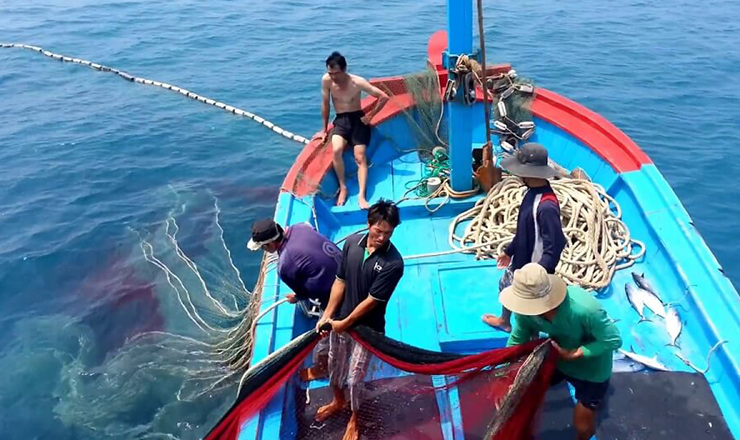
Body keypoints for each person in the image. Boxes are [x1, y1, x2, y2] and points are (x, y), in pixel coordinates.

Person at [314, 200, 404, 440]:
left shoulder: (393, 263)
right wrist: (328, 316)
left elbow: (372, 301)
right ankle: (337, 401)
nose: (383, 237)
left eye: (388, 232)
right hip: (340, 322)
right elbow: (340, 281)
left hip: (368, 328)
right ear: (368, 224)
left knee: (354, 379)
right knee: (335, 368)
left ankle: (355, 416)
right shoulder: (352, 243)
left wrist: (345, 324)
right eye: (378, 230)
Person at [503, 263, 622, 440]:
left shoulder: (585, 309)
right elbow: (517, 339)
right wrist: (505, 374)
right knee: (523, 393)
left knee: (582, 425)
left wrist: (575, 354)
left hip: (592, 371)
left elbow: (613, 340)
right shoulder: (524, 312)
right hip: (557, 360)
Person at [482, 142, 567, 332]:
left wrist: (537, 274)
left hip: (535, 269)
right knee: (506, 286)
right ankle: (505, 321)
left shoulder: (546, 207)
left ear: (528, 173)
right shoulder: (531, 194)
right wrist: (509, 251)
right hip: (520, 261)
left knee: (532, 307)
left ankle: (533, 333)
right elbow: (524, 231)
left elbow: (555, 245)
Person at [247, 219, 341, 380]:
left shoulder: (285, 266)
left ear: (268, 245)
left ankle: (322, 367)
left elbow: (307, 291)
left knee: (324, 332)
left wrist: (297, 297)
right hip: (348, 270)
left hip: (339, 293)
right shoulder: (300, 227)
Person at [320, 51, 389, 209]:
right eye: (330, 73)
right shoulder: (326, 80)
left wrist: (370, 116)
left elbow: (383, 97)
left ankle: (361, 195)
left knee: (360, 158)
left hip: (358, 120)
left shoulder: (357, 82)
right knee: (336, 150)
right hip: (341, 121)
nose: (333, 77)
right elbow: (325, 104)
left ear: (344, 69)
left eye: (336, 73)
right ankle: (343, 188)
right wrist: (324, 130)